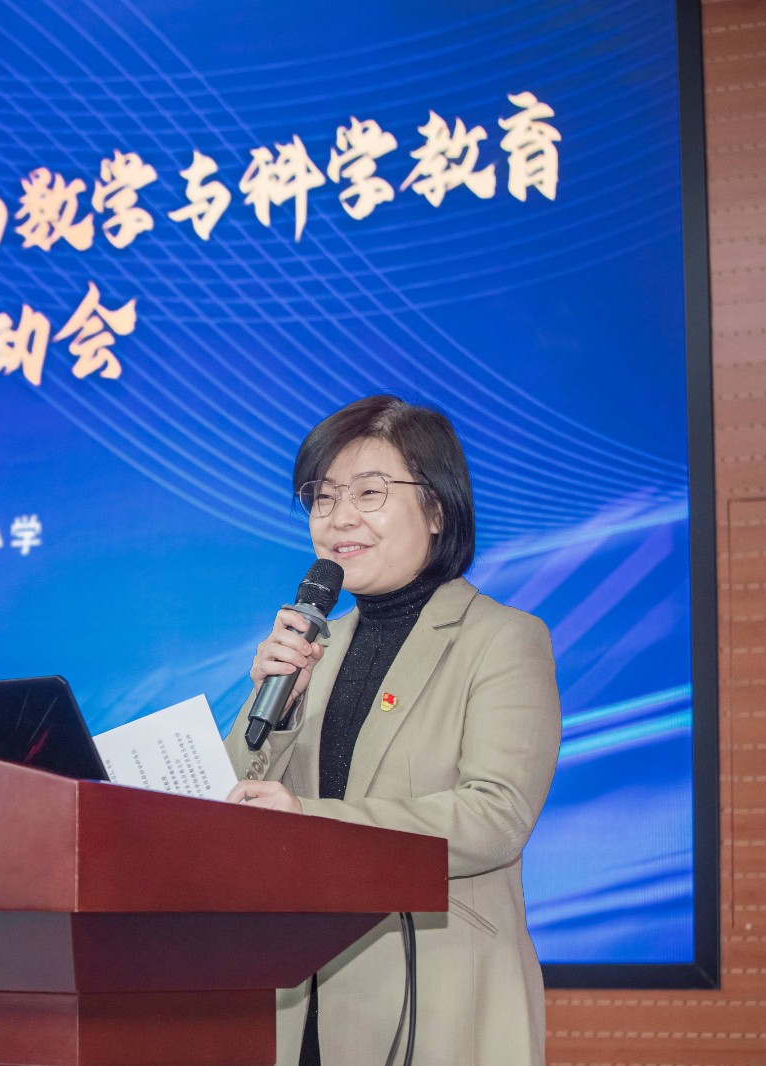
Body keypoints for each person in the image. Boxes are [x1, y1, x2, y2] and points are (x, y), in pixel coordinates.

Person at [223, 394, 560, 1066]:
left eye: (369, 492)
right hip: (298, 1005)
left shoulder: (502, 639)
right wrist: (276, 708)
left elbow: (496, 816)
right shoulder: (313, 646)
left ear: (436, 510)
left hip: (436, 1003)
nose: (339, 516)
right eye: (322, 497)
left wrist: (312, 823)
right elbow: (232, 807)